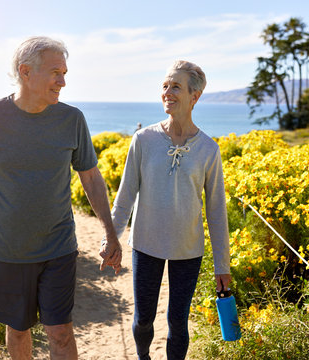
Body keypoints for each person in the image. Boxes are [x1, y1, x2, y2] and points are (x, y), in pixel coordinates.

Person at [0, 36, 122, 359]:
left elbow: (90, 176)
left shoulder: (71, 119)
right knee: (18, 331)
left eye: (65, 72)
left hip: (58, 248)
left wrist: (110, 234)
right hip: (6, 250)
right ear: (26, 72)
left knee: (60, 333)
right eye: (55, 72)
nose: (63, 81)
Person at [111, 60, 231, 360]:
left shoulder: (208, 149)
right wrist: (110, 239)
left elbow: (216, 212)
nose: (167, 92)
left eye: (176, 86)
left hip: (188, 249)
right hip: (146, 243)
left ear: (195, 96)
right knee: (143, 320)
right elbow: (125, 196)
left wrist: (222, 265)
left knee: (178, 322)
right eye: (165, 85)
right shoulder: (143, 140)